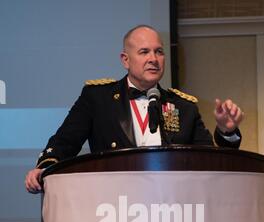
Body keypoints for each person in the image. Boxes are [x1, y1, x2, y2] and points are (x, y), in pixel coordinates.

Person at [25, 25, 244, 193]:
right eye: (144, 52)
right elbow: (65, 142)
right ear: (125, 60)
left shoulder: (184, 106)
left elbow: (209, 161)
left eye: (159, 52)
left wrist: (227, 131)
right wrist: (45, 167)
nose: (153, 59)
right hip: (113, 208)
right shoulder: (97, 98)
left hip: (174, 207)